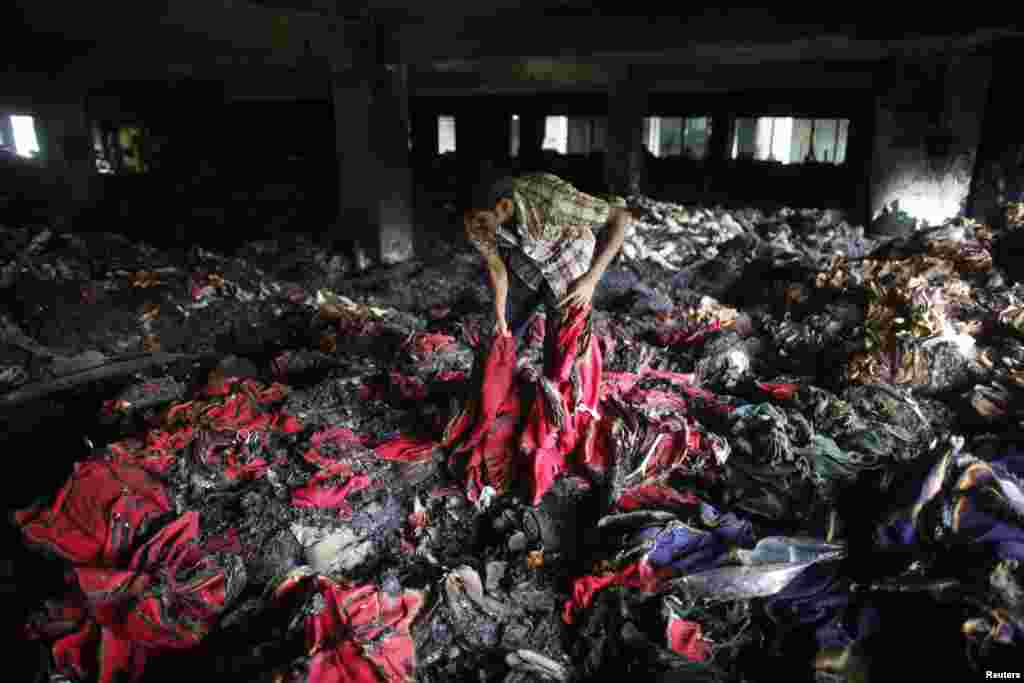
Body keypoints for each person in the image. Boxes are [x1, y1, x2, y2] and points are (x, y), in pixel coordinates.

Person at [459, 172, 633, 501]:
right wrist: (500, 316)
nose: (479, 226)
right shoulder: (477, 220)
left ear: (504, 207)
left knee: (563, 361)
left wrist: (591, 281)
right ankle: (485, 418)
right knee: (495, 341)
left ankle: (552, 439)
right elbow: (496, 268)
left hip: (569, 265)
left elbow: (621, 217)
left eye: (484, 220)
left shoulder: (553, 200)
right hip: (525, 265)